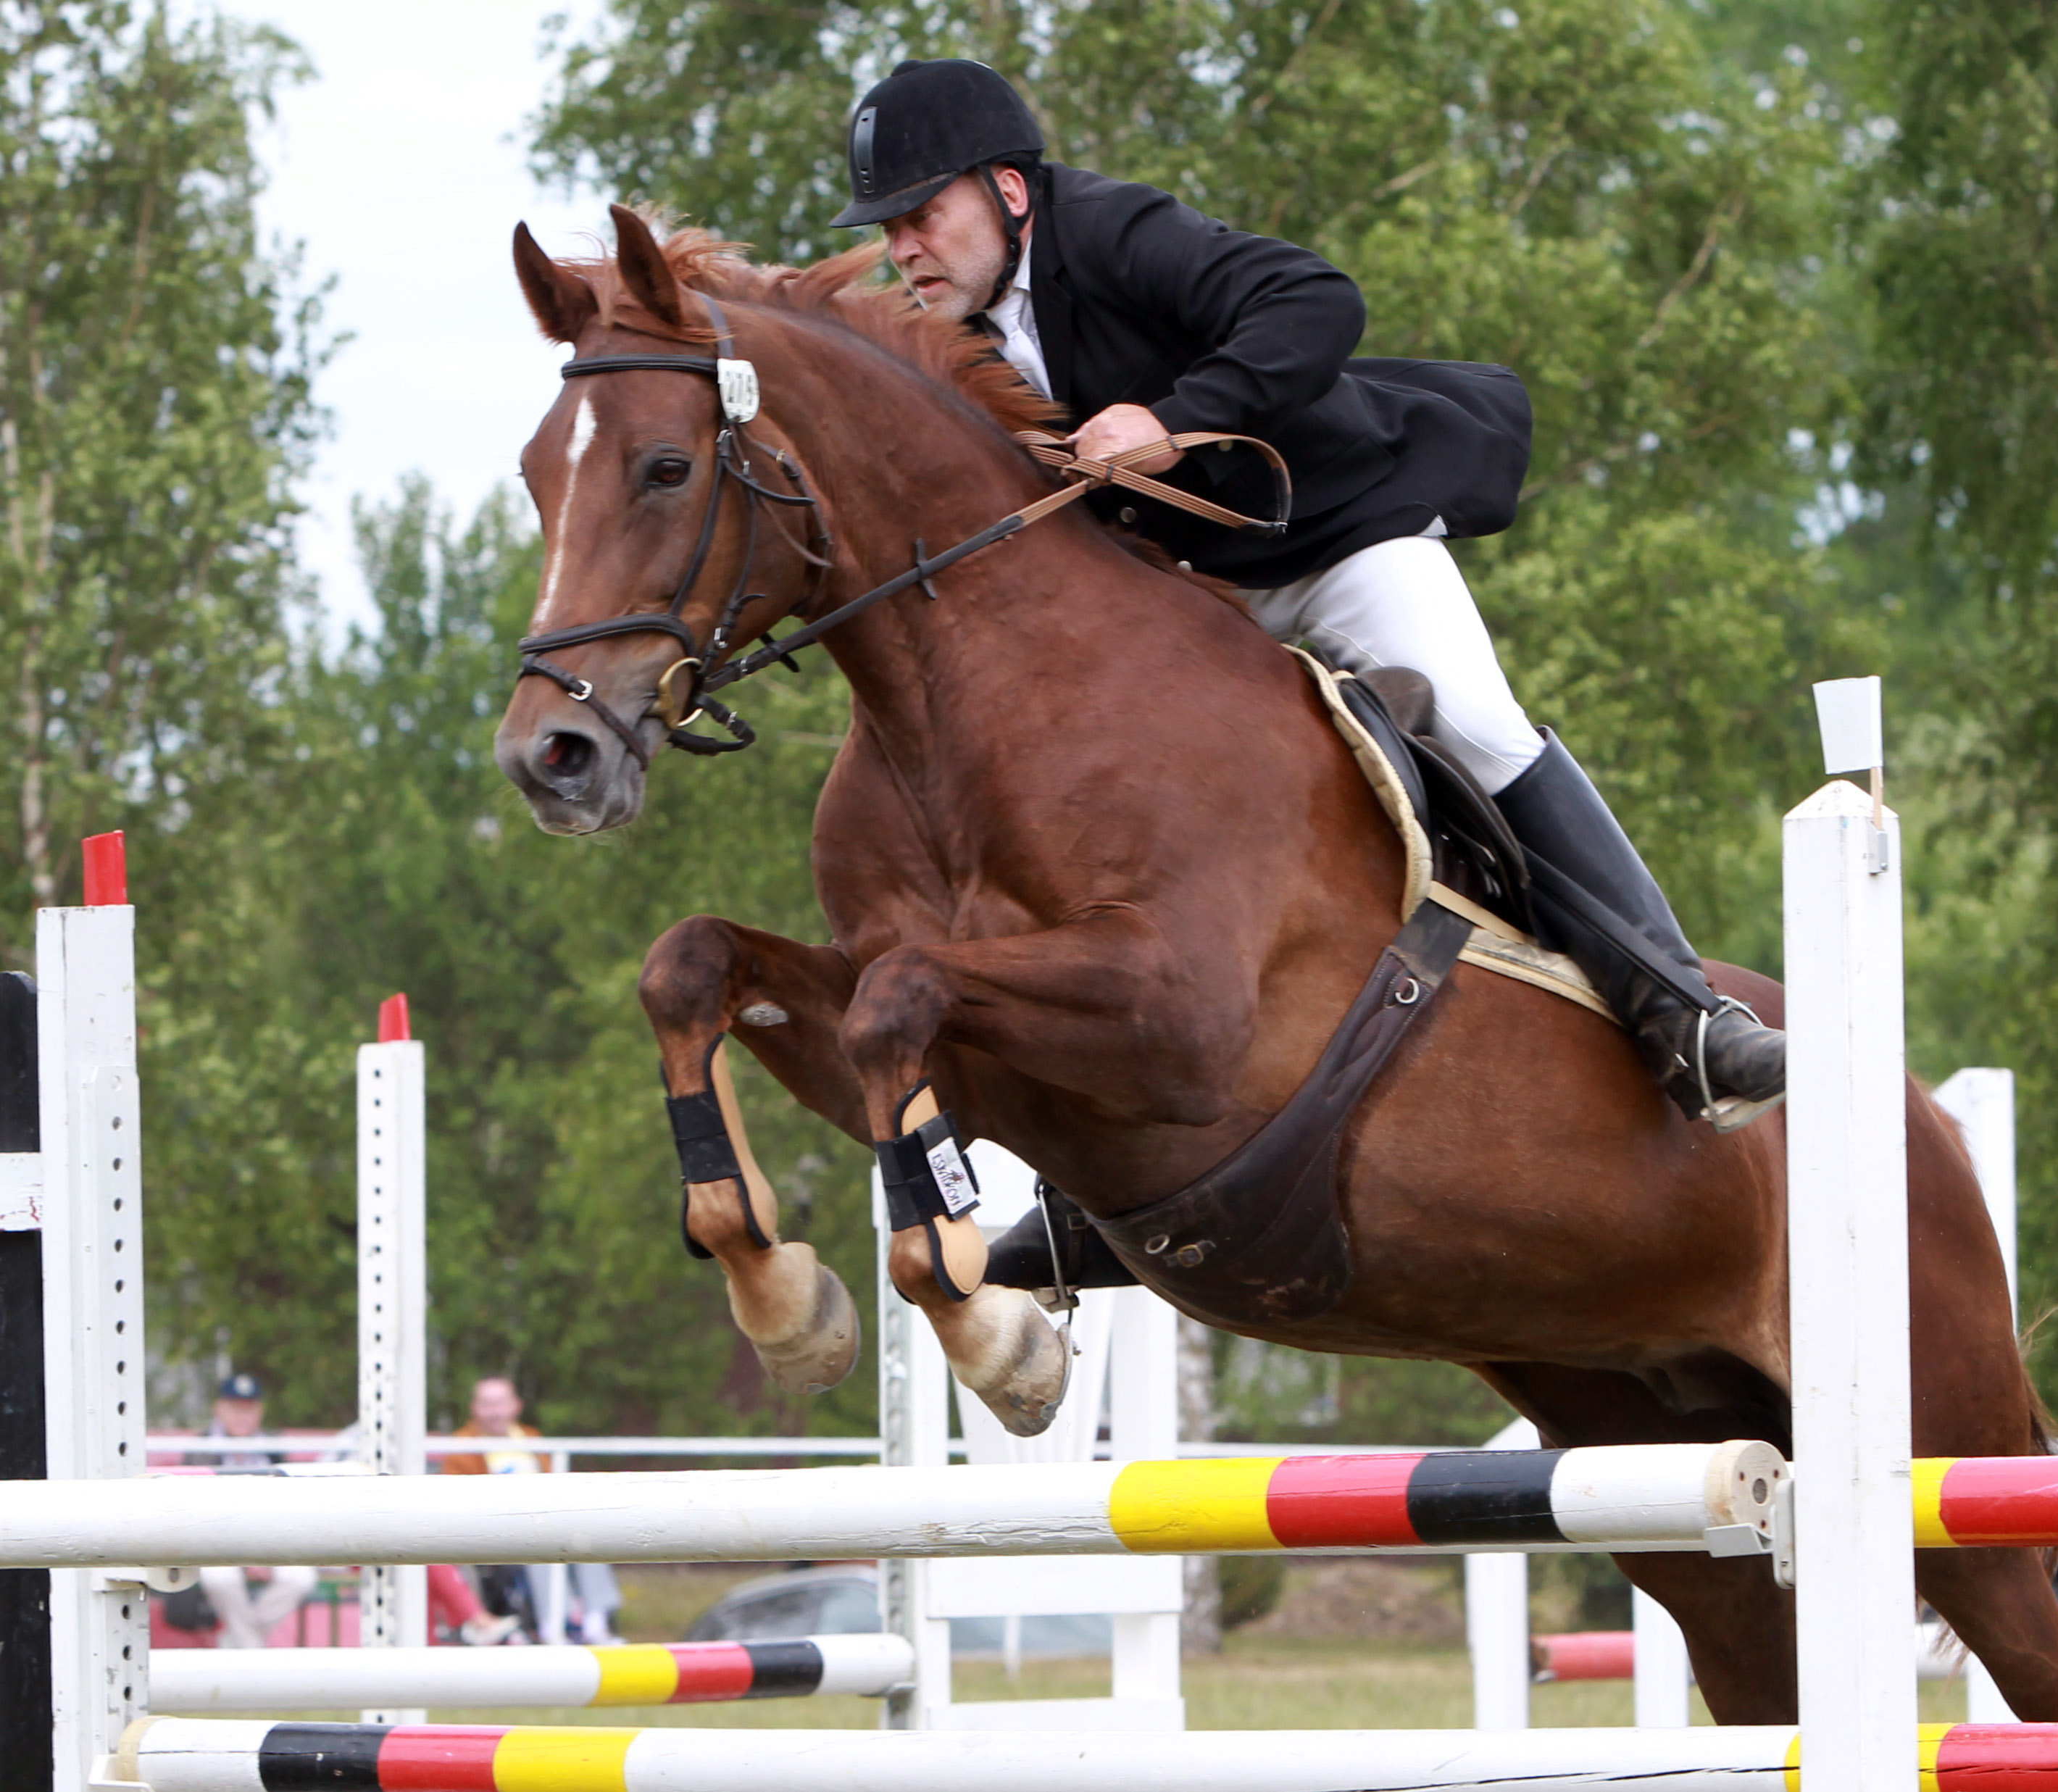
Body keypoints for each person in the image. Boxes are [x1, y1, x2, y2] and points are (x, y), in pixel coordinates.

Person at [828, 60, 1786, 1130]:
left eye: (922, 214)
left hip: (1335, 540)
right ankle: (1100, 1168)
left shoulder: (1109, 230)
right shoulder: (936, 335)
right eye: (888, 228)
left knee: (1474, 721)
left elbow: (1315, 299)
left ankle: (1682, 1014)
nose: (902, 248)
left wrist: (1170, 417)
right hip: (1184, 599)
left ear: (1008, 193)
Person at [442, 1375, 623, 1643]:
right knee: (540, 1541)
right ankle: (553, 1624)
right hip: (498, 1527)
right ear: (474, 1408)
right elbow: (457, 1498)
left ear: (516, 1406)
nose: (495, 1412)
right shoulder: (462, 1446)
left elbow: (555, 1481)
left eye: (501, 1403)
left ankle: (596, 1621)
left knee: (587, 1532)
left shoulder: (531, 1438)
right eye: (487, 1404)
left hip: (545, 1517)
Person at [196, 1374, 320, 1647]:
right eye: (235, 1407)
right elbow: (200, 1515)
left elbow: (288, 1508)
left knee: (301, 1578)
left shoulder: (274, 1450)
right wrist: (243, 1555)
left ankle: (236, 1644)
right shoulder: (199, 1449)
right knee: (218, 1579)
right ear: (220, 1410)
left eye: (249, 1408)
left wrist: (263, 1551)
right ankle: (252, 1650)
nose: (243, 1415)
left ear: (260, 1411)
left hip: (268, 1544)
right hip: (217, 1548)